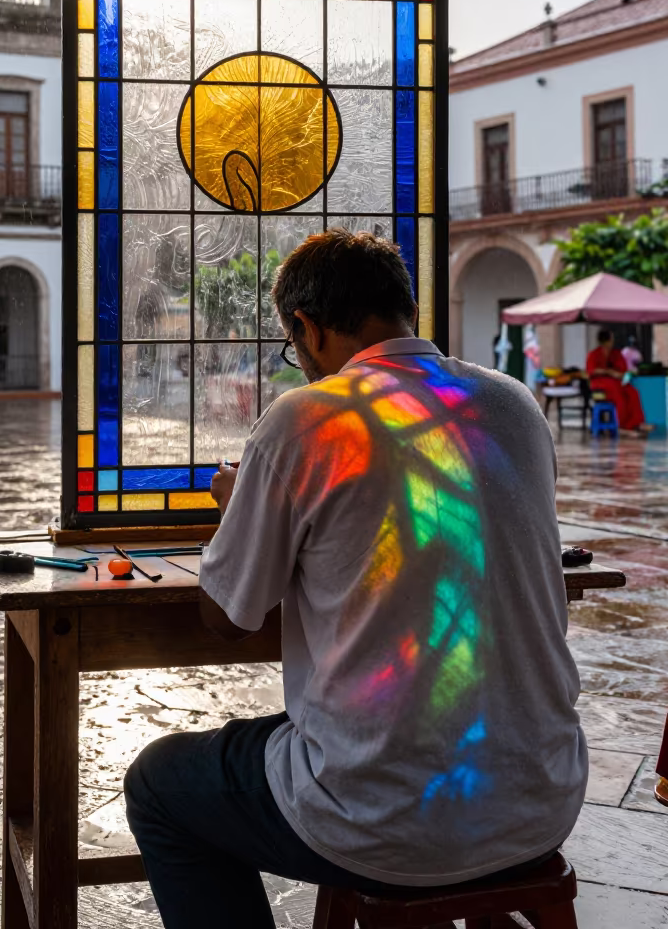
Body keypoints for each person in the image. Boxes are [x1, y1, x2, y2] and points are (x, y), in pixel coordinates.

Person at [124, 229, 587, 929]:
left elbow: (229, 613)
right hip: (542, 797)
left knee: (159, 781)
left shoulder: (306, 419)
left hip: (382, 822)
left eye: (293, 346)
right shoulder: (514, 404)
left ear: (307, 328)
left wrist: (237, 508)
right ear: (404, 308)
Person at [586, 329, 650, 433]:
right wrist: (608, 371)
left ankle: (637, 423)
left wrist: (618, 374)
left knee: (632, 392)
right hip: (600, 386)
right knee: (618, 395)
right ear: (607, 341)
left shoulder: (616, 354)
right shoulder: (593, 354)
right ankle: (622, 426)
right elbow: (591, 371)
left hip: (616, 382)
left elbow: (622, 371)